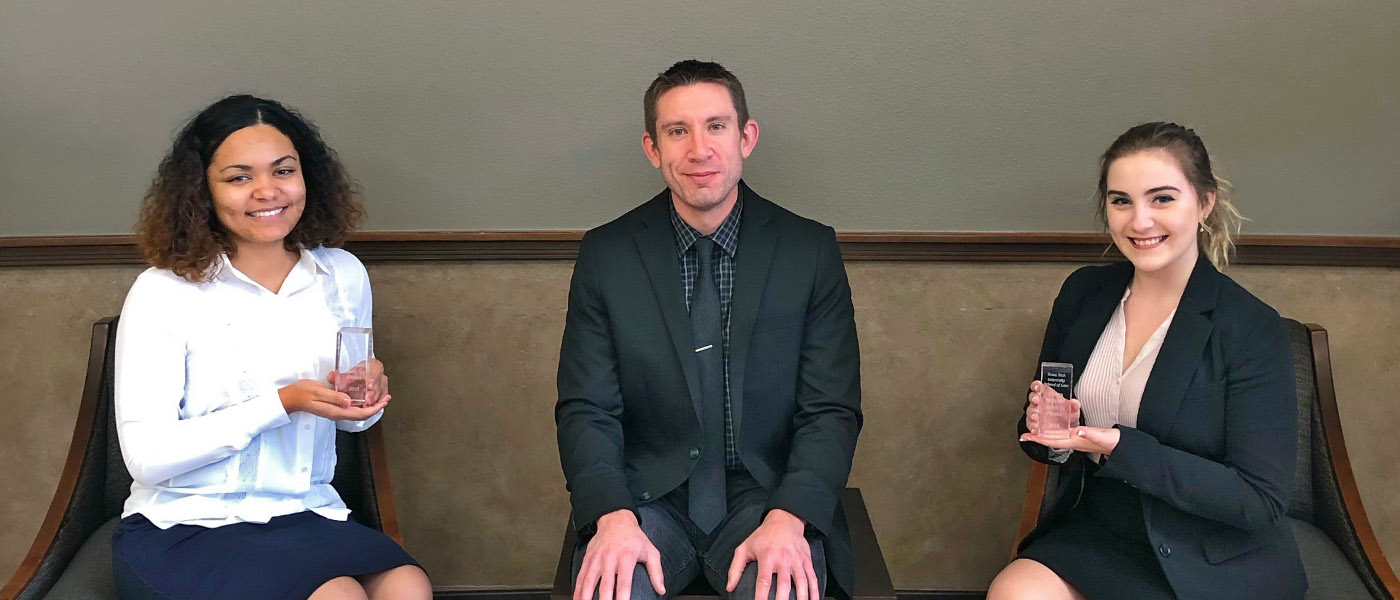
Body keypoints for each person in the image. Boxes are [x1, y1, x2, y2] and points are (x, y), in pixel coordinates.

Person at [555, 60, 862, 600]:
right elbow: (587, 408)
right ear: (653, 148)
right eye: (678, 131)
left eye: (716, 126)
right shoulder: (607, 255)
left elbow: (830, 409)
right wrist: (611, 516)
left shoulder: (808, 251)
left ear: (746, 136)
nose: (699, 149)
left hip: (766, 498)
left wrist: (790, 518)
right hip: (646, 499)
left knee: (781, 591)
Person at [113, 94, 431, 600]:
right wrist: (281, 404)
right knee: (338, 596)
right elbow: (148, 459)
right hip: (188, 524)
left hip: (307, 511)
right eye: (239, 177)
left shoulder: (342, 276)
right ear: (202, 191)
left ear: (308, 178)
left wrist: (362, 400)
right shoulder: (163, 291)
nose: (267, 191)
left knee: (408, 585)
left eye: (283, 170)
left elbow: (353, 420)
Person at [988, 122, 1305, 599]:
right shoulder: (1083, 294)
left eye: (1161, 199)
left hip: (1212, 555)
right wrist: (1051, 435)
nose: (1139, 222)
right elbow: (1042, 439)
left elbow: (1259, 500)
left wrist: (1119, 447)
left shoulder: (1251, 327)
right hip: (1103, 532)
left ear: (1204, 203)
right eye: (1121, 201)